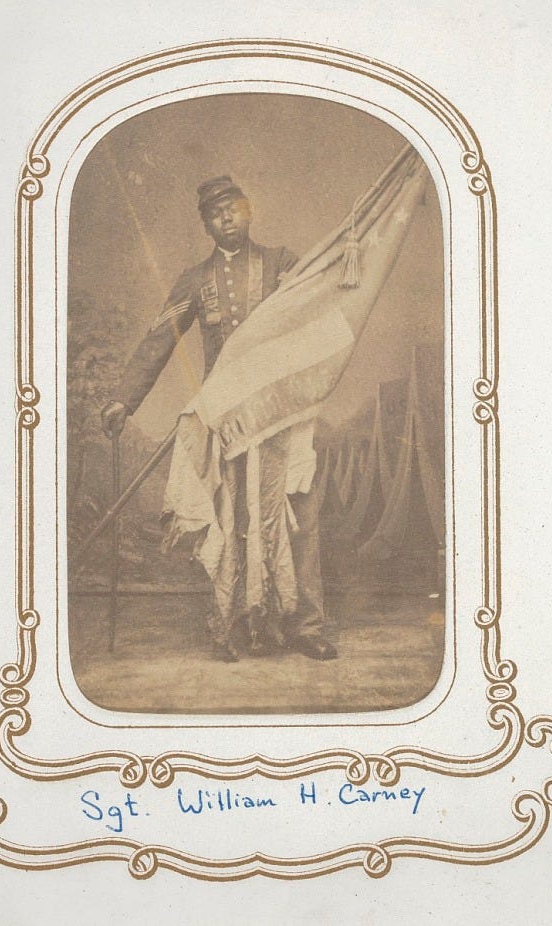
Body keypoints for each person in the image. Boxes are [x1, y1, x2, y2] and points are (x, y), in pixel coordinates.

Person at [101, 176, 337, 663]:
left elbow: (318, 305)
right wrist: (124, 400)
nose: (226, 217)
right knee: (230, 517)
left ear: (249, 210)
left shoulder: (282, 264)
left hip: (281, 411)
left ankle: (305, 625)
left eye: (233, 207)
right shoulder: (195, 280)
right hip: (228, 418)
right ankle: (229, 625)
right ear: (206, 225)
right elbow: (160, 338)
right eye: (215, 213)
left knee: (297, 513)